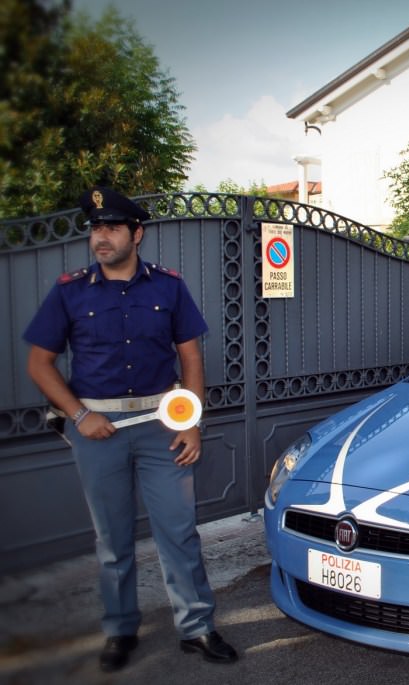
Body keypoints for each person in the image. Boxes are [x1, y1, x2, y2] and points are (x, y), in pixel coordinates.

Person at [23, 187, 238, 671]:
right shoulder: (69, 291)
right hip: (98, 429)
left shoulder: (168, 287)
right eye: (96, 228)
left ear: (136, 234)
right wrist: (80, 416)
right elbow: (39, 364)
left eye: (112, 228)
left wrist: (194, 422)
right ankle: (120, 630)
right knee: (113, 540)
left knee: (179, 532)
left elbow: (190, 356)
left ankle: (197, 627)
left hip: (164, 426)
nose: (101, 237)